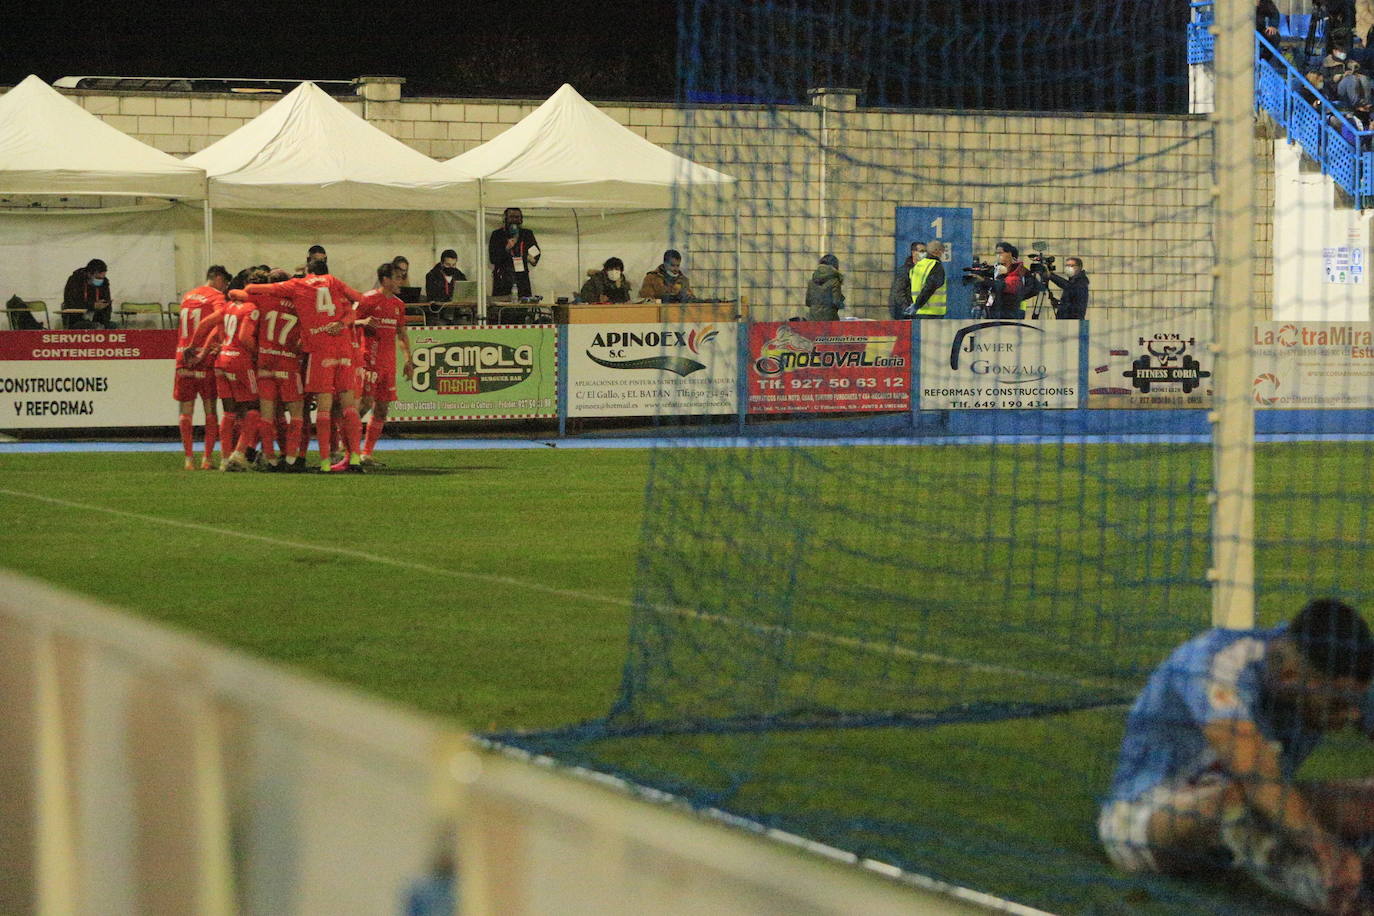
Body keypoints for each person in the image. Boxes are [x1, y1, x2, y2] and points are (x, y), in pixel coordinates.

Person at [1100, 598, 1374, 914]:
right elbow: (1257, 778)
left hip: (1261, 813)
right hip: (1148, 822)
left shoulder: (1333, 673)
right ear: (1288, 677)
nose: (1353, 713)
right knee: (1238, 797)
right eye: (1338, 705)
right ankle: (1344, 896)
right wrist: (1328, 850)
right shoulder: (1215, 662)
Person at [236, 261, 368, 473]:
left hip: (287, 360)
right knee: (317, 412)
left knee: (274, 415)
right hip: (320, 356)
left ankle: (274, 459)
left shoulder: (289, 292)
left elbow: (246, 296)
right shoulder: (332, 286)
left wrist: (237, 293)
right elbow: (358, 302)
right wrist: (343, 324)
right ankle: (316, 459)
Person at [354, 262, 414, 466]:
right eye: (398, 277)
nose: (401, 281)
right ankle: (345, 450)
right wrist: (361, 322)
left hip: (388, 364)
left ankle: (366, 454)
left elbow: (401, 333)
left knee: (381, 409)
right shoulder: (367, 299)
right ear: (385, 279)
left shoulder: (398, 304)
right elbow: (346, 321)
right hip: (368, 361)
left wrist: (408, 359)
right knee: (363, 405)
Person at [172, 265, 231, 470]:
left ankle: (188, 459)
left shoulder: (188, 296)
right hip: (202, 357)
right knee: (210, 409)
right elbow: (219, 317)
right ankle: (207, 458)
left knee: (185, 410)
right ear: (216, 278)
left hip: (183, 355)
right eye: (224, 282)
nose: (224, 287)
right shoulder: (216, 297)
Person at [251, 269, 308, 472]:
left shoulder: (262, 301)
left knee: (266, 416)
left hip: (265, 364)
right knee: (297, 414)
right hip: (288, 364)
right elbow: (304, 339)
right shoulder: (299, 306)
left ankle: (270, 458)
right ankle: (291, 458)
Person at [488, 208, 540, 299]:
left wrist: (532, 259)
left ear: (521, 219)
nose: (514, 220)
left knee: (523, 308)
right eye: (511, 217)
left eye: (517, 217)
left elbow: (536, 252)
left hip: (522, 278)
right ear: (505, 219)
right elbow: (493, 258)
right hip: (503, 278)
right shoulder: (497, 235)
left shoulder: (527, 234)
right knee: (502, 309)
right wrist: (506, 248)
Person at [61, 258, 115, 329]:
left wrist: (105, 321)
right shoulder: (75, 281)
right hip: (76, 319)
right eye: (98, 278)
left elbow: (107, 303)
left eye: (103, 277)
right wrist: (92, 305)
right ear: (89, 274)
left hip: (98, 319)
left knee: (114, 327)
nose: (101, 280)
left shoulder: (104, 282)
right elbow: (71, 302)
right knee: (96, 327)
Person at [986, 242, 1028, 319]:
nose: (998, 256)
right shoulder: (998, 270)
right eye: (997, 253)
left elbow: (1006, 286)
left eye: (1000, 253)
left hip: (1012, 312)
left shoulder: (1019, 273)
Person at [425, 249, 468, 324]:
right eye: (448, 265)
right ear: (442, 263)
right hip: (438, 314)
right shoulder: (432, 276)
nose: (451, 267)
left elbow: (466, 293)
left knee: (465, 325)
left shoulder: (460, 275)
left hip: (457, 314)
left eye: (454, 265)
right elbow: (432, 296)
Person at [906, 241, 948, 318]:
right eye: (942, 251)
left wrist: (914, 305)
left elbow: (910, 287)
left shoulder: (918, 266)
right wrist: (917, 305)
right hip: (932, 313)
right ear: (936, 251)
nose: (942, 254)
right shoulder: (935, 266)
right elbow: (929, 288)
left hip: (918, 311)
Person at [889, 242, 925, 319]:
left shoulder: (925, 269)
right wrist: (907, 308)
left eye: (925, 251)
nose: (924, 254)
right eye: (921, 251)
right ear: (913, 253)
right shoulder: (905, 270)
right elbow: (899, 291)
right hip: (910, 314)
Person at [804, 254, 846, 321]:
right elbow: (836, 302)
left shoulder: (811, 282)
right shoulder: (835, 281)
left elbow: (808, 302)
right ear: (835, 265)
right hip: (830, 320)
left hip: (813, 319)